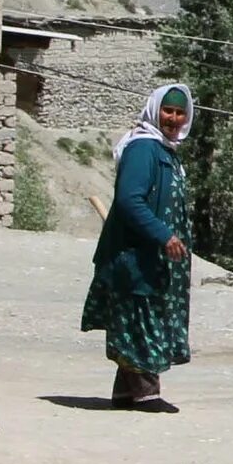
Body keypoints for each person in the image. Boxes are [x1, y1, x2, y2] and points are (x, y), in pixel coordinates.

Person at [82, 82, 194, 410]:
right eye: (168, 110)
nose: (173, 118)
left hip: (151, 259)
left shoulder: (164, 151)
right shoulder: (144, 149)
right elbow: (131, 200)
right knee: (140, 319)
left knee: (138, 319)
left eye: (179, 112)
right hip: (134, 258)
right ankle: (147, 394)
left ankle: (125, 393)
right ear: (154, 110)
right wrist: (164, 235)